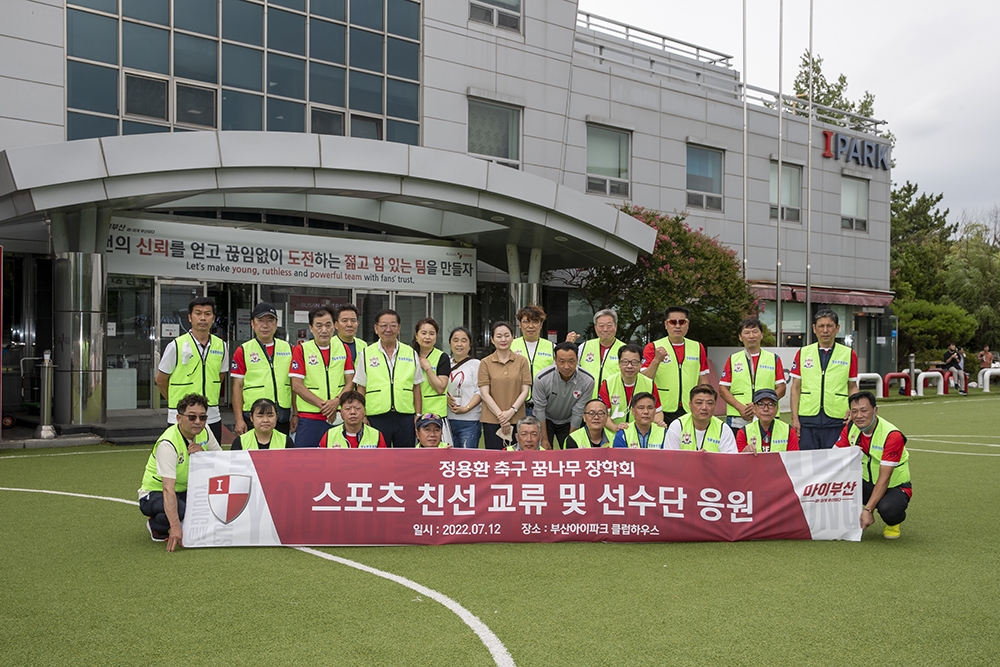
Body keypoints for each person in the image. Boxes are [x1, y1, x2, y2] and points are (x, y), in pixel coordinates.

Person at [138, 393, 222, 551]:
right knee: (182, 510)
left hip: (185, 489)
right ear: (178, 418)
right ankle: (157, 526)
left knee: (210, 505)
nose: (198, 422)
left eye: (202, 417)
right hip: (154, 493)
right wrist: (175, 528)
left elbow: (221, 461)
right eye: (192, 417)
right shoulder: (168, 443)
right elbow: (167, 488)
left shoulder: (206, 431)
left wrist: (204, 453)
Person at [834, 391, 912, 539]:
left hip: (893, 486)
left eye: (864, 410)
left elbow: (885, 478)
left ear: (875, 410)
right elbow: (834, 457)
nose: (859, 416)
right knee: (834, 485)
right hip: (865, 482)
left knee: (890, 510)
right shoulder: (850, 428)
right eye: (854, 411)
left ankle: (892, 523)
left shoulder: (892, 435)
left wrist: (868, 510)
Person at [155, 297, 229, 444]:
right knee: (181, 461)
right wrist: (179, 405)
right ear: (190, 317)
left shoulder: (221, 346)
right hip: (182, 417)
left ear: (213, 318)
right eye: (198, 313)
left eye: (207, 314)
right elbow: (161, 380)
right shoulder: (176, 345)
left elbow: (220, 376)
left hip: (211, 416)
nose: (203, 318)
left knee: (211, 462)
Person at [789, 309, 859, 450]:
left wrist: (854, 408)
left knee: (835, 463)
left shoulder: (848, 354)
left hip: (837, 420)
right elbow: (795, 388)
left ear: (837, 328)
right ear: (814, 329)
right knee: (808, 463)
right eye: (821, 326)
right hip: (808, 420)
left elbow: (852, 386)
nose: (825, 330)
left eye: (829, 326)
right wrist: (795, 418)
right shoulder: (803, 353)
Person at [354, 309, 424, 448]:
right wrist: (362, 416)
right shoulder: (366, 353)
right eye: (383, 325)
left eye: (393, 325)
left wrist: (418, 414)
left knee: (405, 458)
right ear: (376, 328)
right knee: (377, 458)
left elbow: (416, 386)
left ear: (399, 328)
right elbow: (361, 387)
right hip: (376, 415)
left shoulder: (410, 352)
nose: (388, 329)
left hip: (405, 415)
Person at [290, 306, 355, 448]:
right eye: (318, 325)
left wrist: (336, 402)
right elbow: (296, 385)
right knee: (305, 462)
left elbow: (350, 382)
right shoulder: (301, 350)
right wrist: (325, 406)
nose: (324, 330)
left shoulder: (344, 349)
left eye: (328, 325)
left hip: (338, 417)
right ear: (311, 328)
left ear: (335, 326)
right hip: (310, 417)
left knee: (338, 463)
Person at [231, 302, 296, 437]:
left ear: (276, 323)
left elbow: (295, 384)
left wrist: (295, 414)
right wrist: (238, 419)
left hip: (281, 414)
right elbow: (237, 386)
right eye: (260, 320)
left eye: (270, 320)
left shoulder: (289, 349)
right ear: (252, 324)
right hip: (254, 415)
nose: (265, 325)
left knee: (280, 454)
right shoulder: (243, 350)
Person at [641, 306, 710, 426]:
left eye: (682, 322)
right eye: (673, 322)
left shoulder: (698, 347)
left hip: (690, 407)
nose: (677, 326)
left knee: (688, 443)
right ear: (666, 324)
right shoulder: (652, 347)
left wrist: (705, 402)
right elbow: (644, 380)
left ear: (687, 325)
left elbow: (702, 378)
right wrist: (656, 360)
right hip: (662, 409)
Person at [719, 316, 786, 436]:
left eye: (755, 331)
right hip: (738, 417)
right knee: (738, 452)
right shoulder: (733, 359)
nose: (751, 336)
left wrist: (760, 405)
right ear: (740, 337)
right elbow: (723, 389)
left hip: (767, 415)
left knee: (767, 451)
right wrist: (740, 407)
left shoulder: (774, 359)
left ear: (761, 335)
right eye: (747, 332)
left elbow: (781, 388)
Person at [479, 321, 532, 450]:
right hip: (492, 419)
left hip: (517, 418)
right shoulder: (485, 363)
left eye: (507, 335)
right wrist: (501, 416)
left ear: (513, 337)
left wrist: (511, 411)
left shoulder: (522, 361)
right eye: (499, 336)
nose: (503, 339)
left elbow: (525, 390)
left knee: (517, 458)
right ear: (492, 339)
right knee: (495, 460)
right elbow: (485, 393)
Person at [532, 342, 595, 449]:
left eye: (571, 361)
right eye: (562, 361)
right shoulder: (542, 379)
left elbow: (578, 411)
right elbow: (539, 410)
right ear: (555, 361)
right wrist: (544, 439)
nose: (566, 366)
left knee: (571, 450)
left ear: (577, 360)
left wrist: (571, 440)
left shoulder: (588, 380)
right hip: (546, 419)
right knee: (543, 451)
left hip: (569, 420)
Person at [598, 342, 662, 430]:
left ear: (640, 364)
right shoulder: (608, 384)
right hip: (613, 435)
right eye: (625, 362)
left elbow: (658, 412)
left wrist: (658, 424)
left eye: (634, 362)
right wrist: (616, 428)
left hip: (641, 435)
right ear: (619, 363)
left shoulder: (650, 384)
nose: (629, 366)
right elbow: (603, 415)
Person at [567, 309, 625, 398]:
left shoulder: (625, 349)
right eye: (601, 326)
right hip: (586, 401)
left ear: (616, 326)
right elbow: (568, 369)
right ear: (595, 328)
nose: (605, 329)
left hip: (614, 401)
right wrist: (568, 345)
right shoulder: (584, 347)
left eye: (609, 325)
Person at [665, 385, 737, 452]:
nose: (704, 407)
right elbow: (670, 459)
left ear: (715, 406)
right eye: (699, 403)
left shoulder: (723, 429)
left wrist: (709, 459)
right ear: (690, 405)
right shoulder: (677, 425)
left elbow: (730, 461)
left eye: (709, 403)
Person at [511, 305, 555, 415]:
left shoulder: (552, 347)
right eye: (526, 322)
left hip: (544, 406)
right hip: (517, 406)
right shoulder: (510, 346)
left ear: (541, 325)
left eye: (535, 322)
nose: (531, 326)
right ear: (520, 325)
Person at [446, 326, 482, 449]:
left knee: (467, 460)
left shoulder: (476, 364)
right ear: (450, 343)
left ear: (470, 344)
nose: (459, 344)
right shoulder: (445, 363)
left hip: (470, 421)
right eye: (455, 340)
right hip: (447, 420)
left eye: (464, 340)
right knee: (449, 461)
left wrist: (466, 408)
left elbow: (480, 391)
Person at [736, 389, 799, 454]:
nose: (766, 409)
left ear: (777, 408)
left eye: (771, 404)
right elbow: (739, 462)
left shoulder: (789, 431)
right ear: (754, 408)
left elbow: (794, 460)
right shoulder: (743, 432)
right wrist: (744, 452)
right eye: (761, 404)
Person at [414, 317, 451, 421]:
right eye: (423, 333)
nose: (427, 337)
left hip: (435, 414)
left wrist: (428, 368)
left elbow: (440, 388)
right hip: (411, 410)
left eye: (431, 333)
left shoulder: (442, 357)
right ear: (416, 335)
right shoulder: (409, 355)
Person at [319, 390, 387, 448]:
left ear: (365, 411)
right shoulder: (329, 435)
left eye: (357, 408)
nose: (353, 412)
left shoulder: (376, 435)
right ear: (341, 413)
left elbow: (384, 461)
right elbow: (321, 461)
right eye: (347, 409)